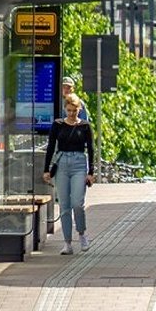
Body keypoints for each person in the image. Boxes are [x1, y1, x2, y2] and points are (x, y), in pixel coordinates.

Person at [42, 93, 96, 254]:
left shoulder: (85, 126)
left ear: (79, 110)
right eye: (69, 110)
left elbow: (91, 149)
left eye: (74, 110)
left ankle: (82, 233)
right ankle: (67, 243)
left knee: (77, 203)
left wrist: (91, 172)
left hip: (79, 163)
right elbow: (51, 147)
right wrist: (46, 170)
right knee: (65, 206)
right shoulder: (58, 125)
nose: (71, 114)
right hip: (62, 164)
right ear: (65, 109)